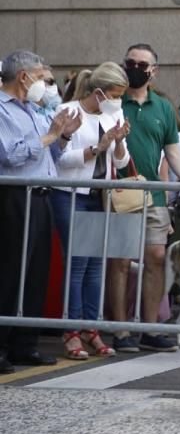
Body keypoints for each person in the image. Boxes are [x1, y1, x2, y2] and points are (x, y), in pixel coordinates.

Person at [106, 44, 180, 352]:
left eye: (141, 63)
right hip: (119, 193)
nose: (134, 67)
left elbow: (173, 154)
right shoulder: (112, 101)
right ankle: (120, 331)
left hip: (154, 197)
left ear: (153, 71)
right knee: (119, 261)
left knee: (156, 259)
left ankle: (150, 329)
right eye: (129, 61)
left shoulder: (162, 107)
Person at [0, 51, 82, 373]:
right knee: (10, 271)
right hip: (14, 196)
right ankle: (2, 343)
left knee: (35, 272)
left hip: (41, 194)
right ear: (24, 77)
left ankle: (25, 343)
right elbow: (10, 155)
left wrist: (62, 136)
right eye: (42, 77)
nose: (46, 84)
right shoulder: (3, 110)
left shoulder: (33, 110)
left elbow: (49, 155)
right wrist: (49, 135)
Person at [51, 62, 133, 360]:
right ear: (98, 92)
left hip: (101, 195)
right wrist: (98, 148)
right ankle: (72, 330)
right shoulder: (70, 111)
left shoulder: (115, 113)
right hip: (71, 194)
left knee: (96, 266)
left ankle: (90, 328)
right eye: (114, 94)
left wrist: (119, 142)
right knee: (77, 264)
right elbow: (58, 158)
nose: (118, 100)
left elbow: (122, 163)